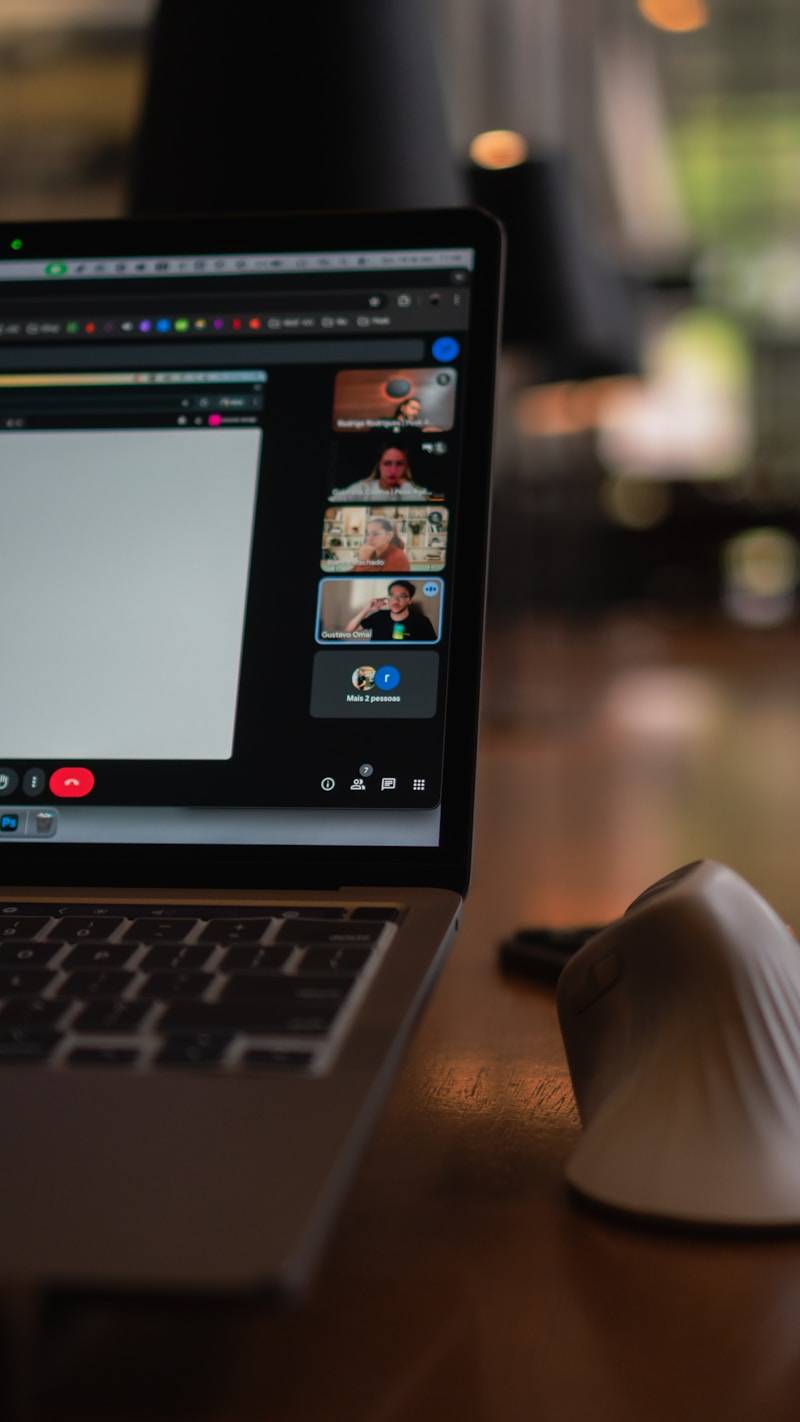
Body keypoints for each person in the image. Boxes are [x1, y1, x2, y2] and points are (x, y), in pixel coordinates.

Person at [344, 579, 437, 642]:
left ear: (409, 601)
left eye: (402, 596)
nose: (396, 600)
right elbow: (349, 631)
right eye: (392, 596)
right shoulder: (379, 616)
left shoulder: (422, 621)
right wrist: (367, 609)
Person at [330, 445, 431, 501]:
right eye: (387, 463)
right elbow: (334, 500)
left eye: (399, 464)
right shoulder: (364, 488)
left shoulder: (412, 489)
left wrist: (405, 485)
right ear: (379, 466)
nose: (393, 470)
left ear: (406, 467)